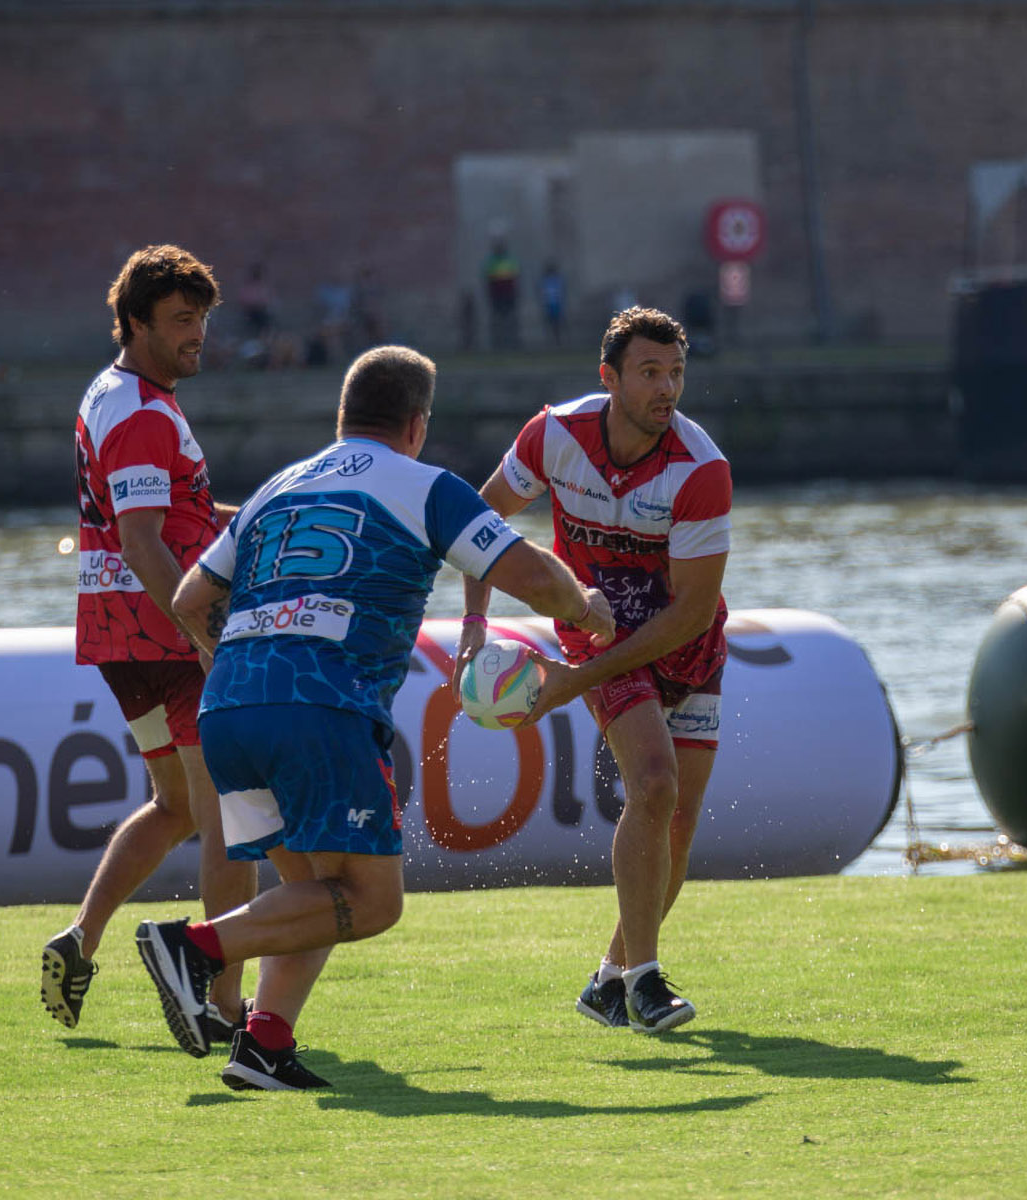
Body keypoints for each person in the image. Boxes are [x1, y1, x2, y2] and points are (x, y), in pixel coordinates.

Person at [140, 345, 615, 1089]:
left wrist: (230, 655)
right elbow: (525, 572)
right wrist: (584, 607)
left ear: (343, 418)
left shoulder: (277, 487)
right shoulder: (426, 487)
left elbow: (188, 601)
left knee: (317, 892)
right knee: (371, 901)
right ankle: (193, 949)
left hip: (229, 705)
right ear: (417, 425)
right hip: (321, 707)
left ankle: (264, 1042)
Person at [452, 306, 732, 1034]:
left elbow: (693, 613)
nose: (666, 388)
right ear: (608, 378)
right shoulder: (553, 436)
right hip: (598, 635)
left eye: (675, 373)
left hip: (688, 645)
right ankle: (646, 982)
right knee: (655, 782)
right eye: (648, 373)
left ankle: (609, 979)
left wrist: (568, 684)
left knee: (676, 824)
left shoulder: (701, 469)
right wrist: (475, 628)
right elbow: (481, 525)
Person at [41, 245, 256, 1051]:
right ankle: (222, 1004)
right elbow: (142, 539)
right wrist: (202, 632)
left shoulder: (119, 392)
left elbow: (170, 514)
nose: (196, 334)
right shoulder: (140, 412)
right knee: (229, 817)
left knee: (174, 807)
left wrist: (262, 516)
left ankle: (80, 941)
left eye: (201, 317)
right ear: (135, 323)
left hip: (116, 632)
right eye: (179, 321)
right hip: (163, 628)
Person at [482, 237, 521, 351]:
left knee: (508, 320)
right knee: (500, 321)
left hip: (506, 295)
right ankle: (499, 342)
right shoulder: (493, 261)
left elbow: (515, 278)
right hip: (498, 296)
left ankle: (511, 341)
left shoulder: (507, 261)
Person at [539, 261, 566, 346]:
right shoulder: (546, 280)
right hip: (550, 304)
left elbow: (561, 291)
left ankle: (557, 340)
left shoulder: (556, 279)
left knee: (556, 323)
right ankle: (552, 341)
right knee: (551, 323)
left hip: (556, 304)